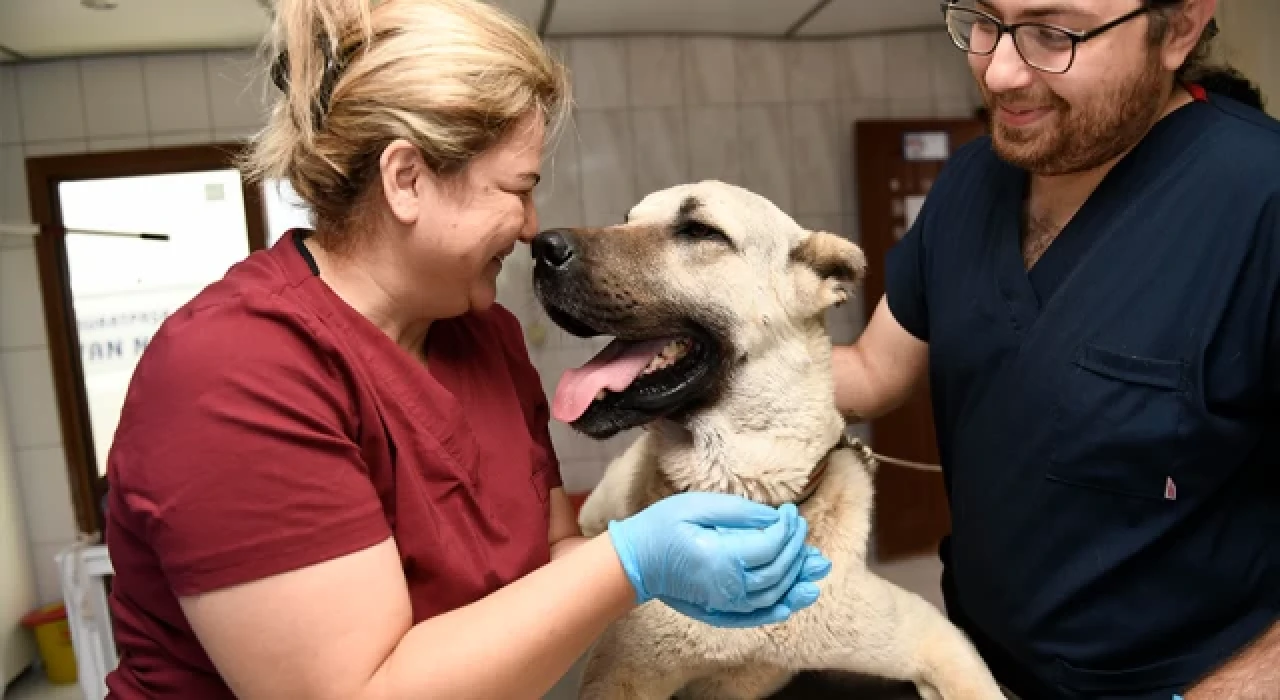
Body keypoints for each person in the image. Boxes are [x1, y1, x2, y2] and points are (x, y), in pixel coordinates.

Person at [100, 1, 831, 698]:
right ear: (407, 179)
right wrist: (630, 561)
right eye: (516, 189)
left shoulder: (482, 334)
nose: (528, 227)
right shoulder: (231, 374)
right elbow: (360, 691)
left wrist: (679, 575)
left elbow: (545, 565)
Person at [833, 0, 1279, 698]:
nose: (1001, 71)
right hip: (975, 670)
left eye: (1056, 33)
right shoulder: (968, 185)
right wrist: (689, 362)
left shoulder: (1260, 201)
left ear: (1182, 26)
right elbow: (870, 371)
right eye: (983, 19)